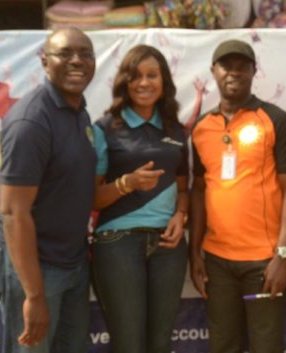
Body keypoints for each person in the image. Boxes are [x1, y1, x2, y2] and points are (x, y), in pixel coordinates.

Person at [0, 28, 97, 353]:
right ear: (45, 61)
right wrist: (34, 295)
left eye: (85, 53)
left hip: (71, 261)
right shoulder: (31, 121)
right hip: (35, 265)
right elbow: (13, 212)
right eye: (65, 53)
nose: (77, 61)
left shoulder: (78, 111)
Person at [189, 39, 286, 353]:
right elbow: (199, 190)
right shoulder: (201, 128)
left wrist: (283, 255)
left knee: (266, 347)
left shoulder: (276, 120)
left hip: (264, 263)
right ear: (214, 71)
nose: (234, 72)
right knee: (224, 346)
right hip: (217, 262)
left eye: (243, 66)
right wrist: (194, 253)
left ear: (254, 71)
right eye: (227, 65)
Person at [90, 44, 188, 353]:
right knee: (129, 345)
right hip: (117, 243)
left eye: (152, 75)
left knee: (160, 344)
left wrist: (180, 216)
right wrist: (126, 183)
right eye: (136, 76)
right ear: (124, 82)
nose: (144, 83)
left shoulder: (177, 130)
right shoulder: (105, 129)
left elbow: (184, 189)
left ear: (164, 81)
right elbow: (92, 199)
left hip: (168, 247)